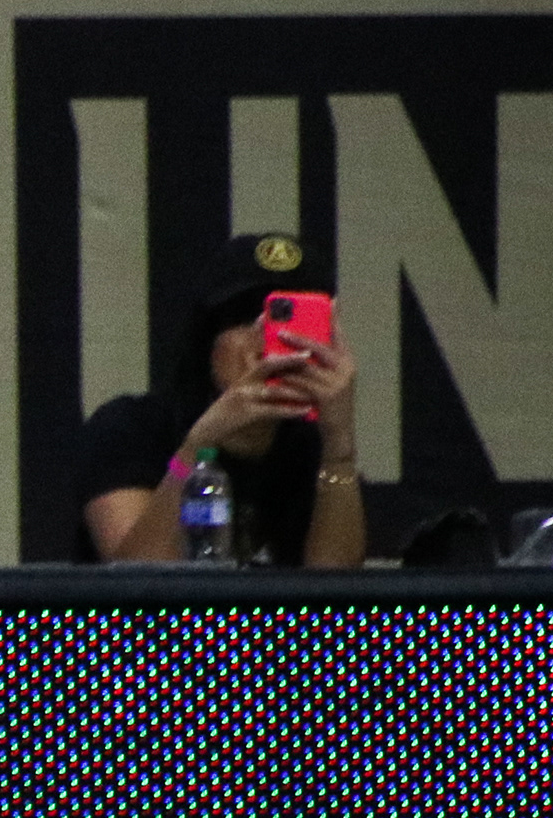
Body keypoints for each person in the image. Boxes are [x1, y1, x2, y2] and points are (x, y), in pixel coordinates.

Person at [77, 231, 366, 567]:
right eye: (245, 318)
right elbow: (138, 581)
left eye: (288, 320)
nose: (265, 340)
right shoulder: (133, 428)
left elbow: (336, 590)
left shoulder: (313, 449)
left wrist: (339, 449)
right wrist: (198, 446)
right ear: (209, 340)